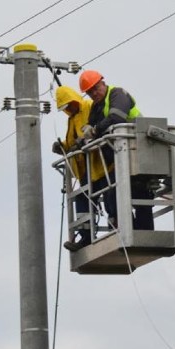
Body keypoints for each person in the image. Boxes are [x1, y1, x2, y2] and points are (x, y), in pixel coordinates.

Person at [78, 70, 155, 231]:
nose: (94, 93)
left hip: (138, 151)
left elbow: (117, 118)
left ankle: (138, 231)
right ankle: (116, 228)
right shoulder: (96, 106)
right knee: (105, 191)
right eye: (89, 92)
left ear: (102, 82)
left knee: (137, 192)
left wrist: (95, 130)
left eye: (95, 88)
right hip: (120, 157)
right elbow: (92, 128)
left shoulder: (118, 94)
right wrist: (79, 142)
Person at [53, 85, 109, 251]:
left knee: (111, 194)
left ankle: (117, 227)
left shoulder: (89, 107)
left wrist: (83, 141)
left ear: (74, 100)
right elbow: (72, 142)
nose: (68, 109)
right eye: (65, 108)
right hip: (86, 169)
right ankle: (85, 236)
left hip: (101, 164)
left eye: (69, 105)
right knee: (82, 197)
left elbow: (96, 129)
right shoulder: (71, 119)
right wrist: (62, 146)